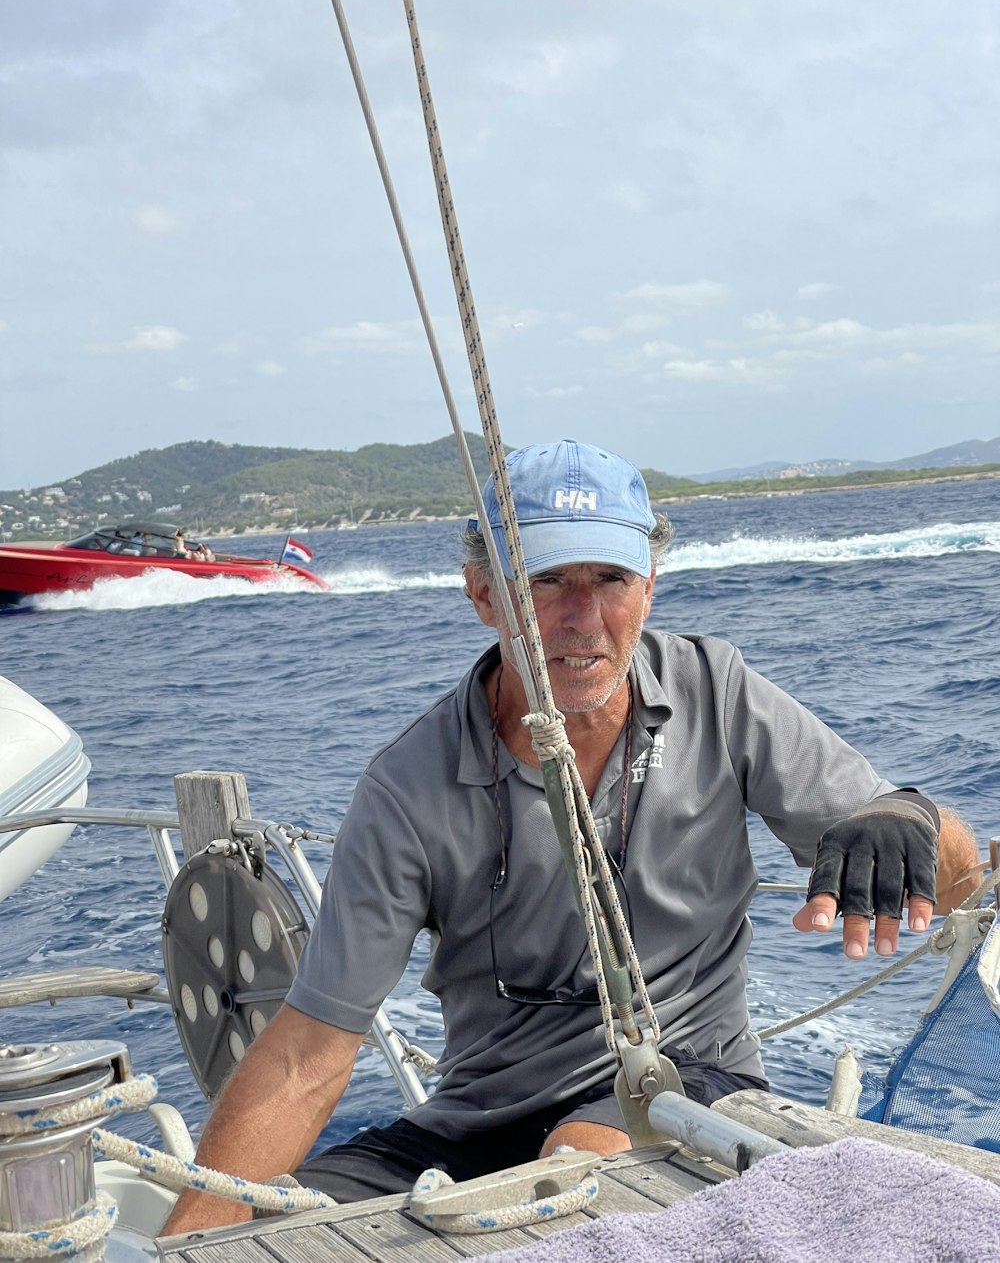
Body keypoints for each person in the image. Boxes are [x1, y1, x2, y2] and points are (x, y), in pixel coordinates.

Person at [162, 439, 979, 1235]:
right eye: (545, 580)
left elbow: (956, 878)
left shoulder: (719, 693)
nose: (581, 616)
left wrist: (905, 821)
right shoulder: (407, 786)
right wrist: (190, 1231)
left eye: (610, 579)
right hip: (471, 1121)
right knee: (284, 1231)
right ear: (483, 593)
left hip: (685, 1080)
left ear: (649, 586)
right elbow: (310, 1049)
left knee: (575, 1158)